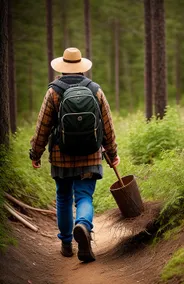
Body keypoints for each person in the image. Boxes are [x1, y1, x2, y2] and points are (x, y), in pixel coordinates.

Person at [29, 47, 120, 263]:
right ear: (81, 67)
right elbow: (107, 125)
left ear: (62, 68)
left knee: (63, 197)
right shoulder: (95, 90)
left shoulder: (53, 92)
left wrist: (36, 153)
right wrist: (113, 152)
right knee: (84, 197)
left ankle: (67, 243)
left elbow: (42, 127)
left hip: (62, 156)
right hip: (90, 155)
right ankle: (83, 226)